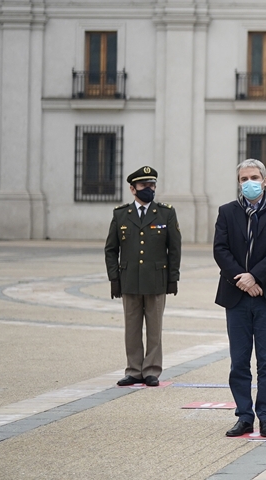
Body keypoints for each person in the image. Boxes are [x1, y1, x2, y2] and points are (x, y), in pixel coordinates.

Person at [213, 159, 266, 438]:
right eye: (244, 178)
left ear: (265, 180)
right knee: (239, 361)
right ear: (239, 182)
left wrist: (256, 277)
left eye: (254, 177)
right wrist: (243, 280)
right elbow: (220, 250)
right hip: (236, 296)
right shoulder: (227, 212)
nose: (249, 182)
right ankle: (244, 416)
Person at [105, 166, 181, 387]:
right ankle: (133, 370)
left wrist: (172, 278)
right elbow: (111, 249)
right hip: (129, 279)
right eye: (144, 185)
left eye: (152, 185)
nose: (149, 189)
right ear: (132, 188)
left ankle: (151, 370)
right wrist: (114, 279)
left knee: (154, 328)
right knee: (132, 327)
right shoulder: (121, 214)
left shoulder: (166, 213)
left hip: (156, 279)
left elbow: (174, 248)